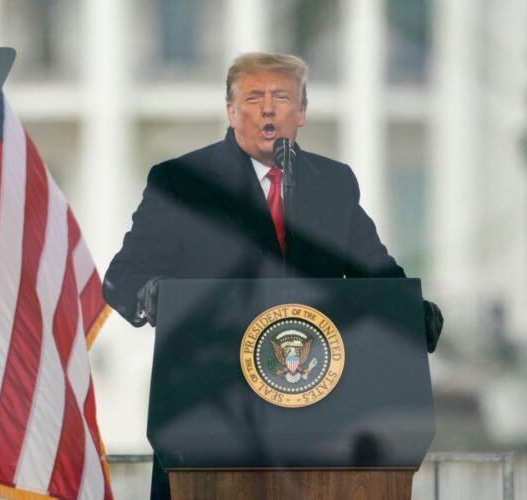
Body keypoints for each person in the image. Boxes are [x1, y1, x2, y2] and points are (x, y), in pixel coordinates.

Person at [103, 52, 443, 500]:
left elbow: (376, 274)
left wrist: (409, 313)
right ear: (230, 110)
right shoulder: (181, 182)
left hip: (321, 423)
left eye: (281, 97)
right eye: (253, 97)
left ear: (301, 112)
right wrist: (153, 295)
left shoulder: (333, 183)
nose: (268, 109)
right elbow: (122, 277)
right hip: (208, 418)